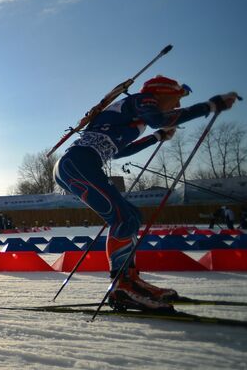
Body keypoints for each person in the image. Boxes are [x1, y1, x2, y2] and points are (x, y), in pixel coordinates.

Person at [54, 75, 238, 311]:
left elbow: (119, 152)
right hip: (78, 163)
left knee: (131, 217)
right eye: (176, 99)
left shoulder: (134, 115)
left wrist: (158, 137)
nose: (177, 106)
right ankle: (121, 286)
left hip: (78, 164)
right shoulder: (143, 100)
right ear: (162, 94)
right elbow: (159, 118)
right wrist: (211, 105)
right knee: (123, 218)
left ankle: (129, 280)